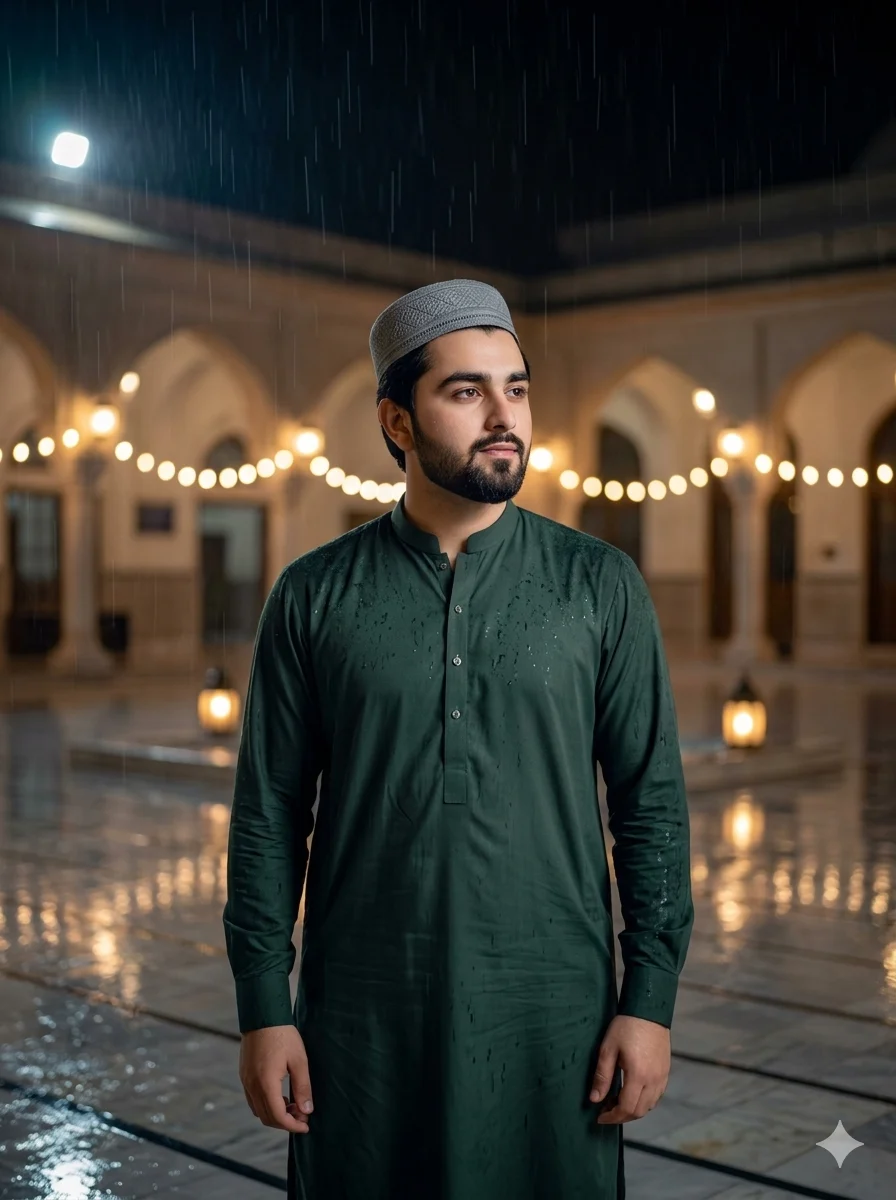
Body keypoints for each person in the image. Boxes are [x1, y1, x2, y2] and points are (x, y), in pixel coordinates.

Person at [224, 279, 694, 1200]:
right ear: (396, 421)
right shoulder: (314, 595)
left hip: (555, 1015)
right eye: (467, 391)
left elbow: (652, 805)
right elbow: (268, 815)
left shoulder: (598, 585)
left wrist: (649, 1000)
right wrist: (263, 1007)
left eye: (515, 389)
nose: (504, 417)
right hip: (362, 1017)